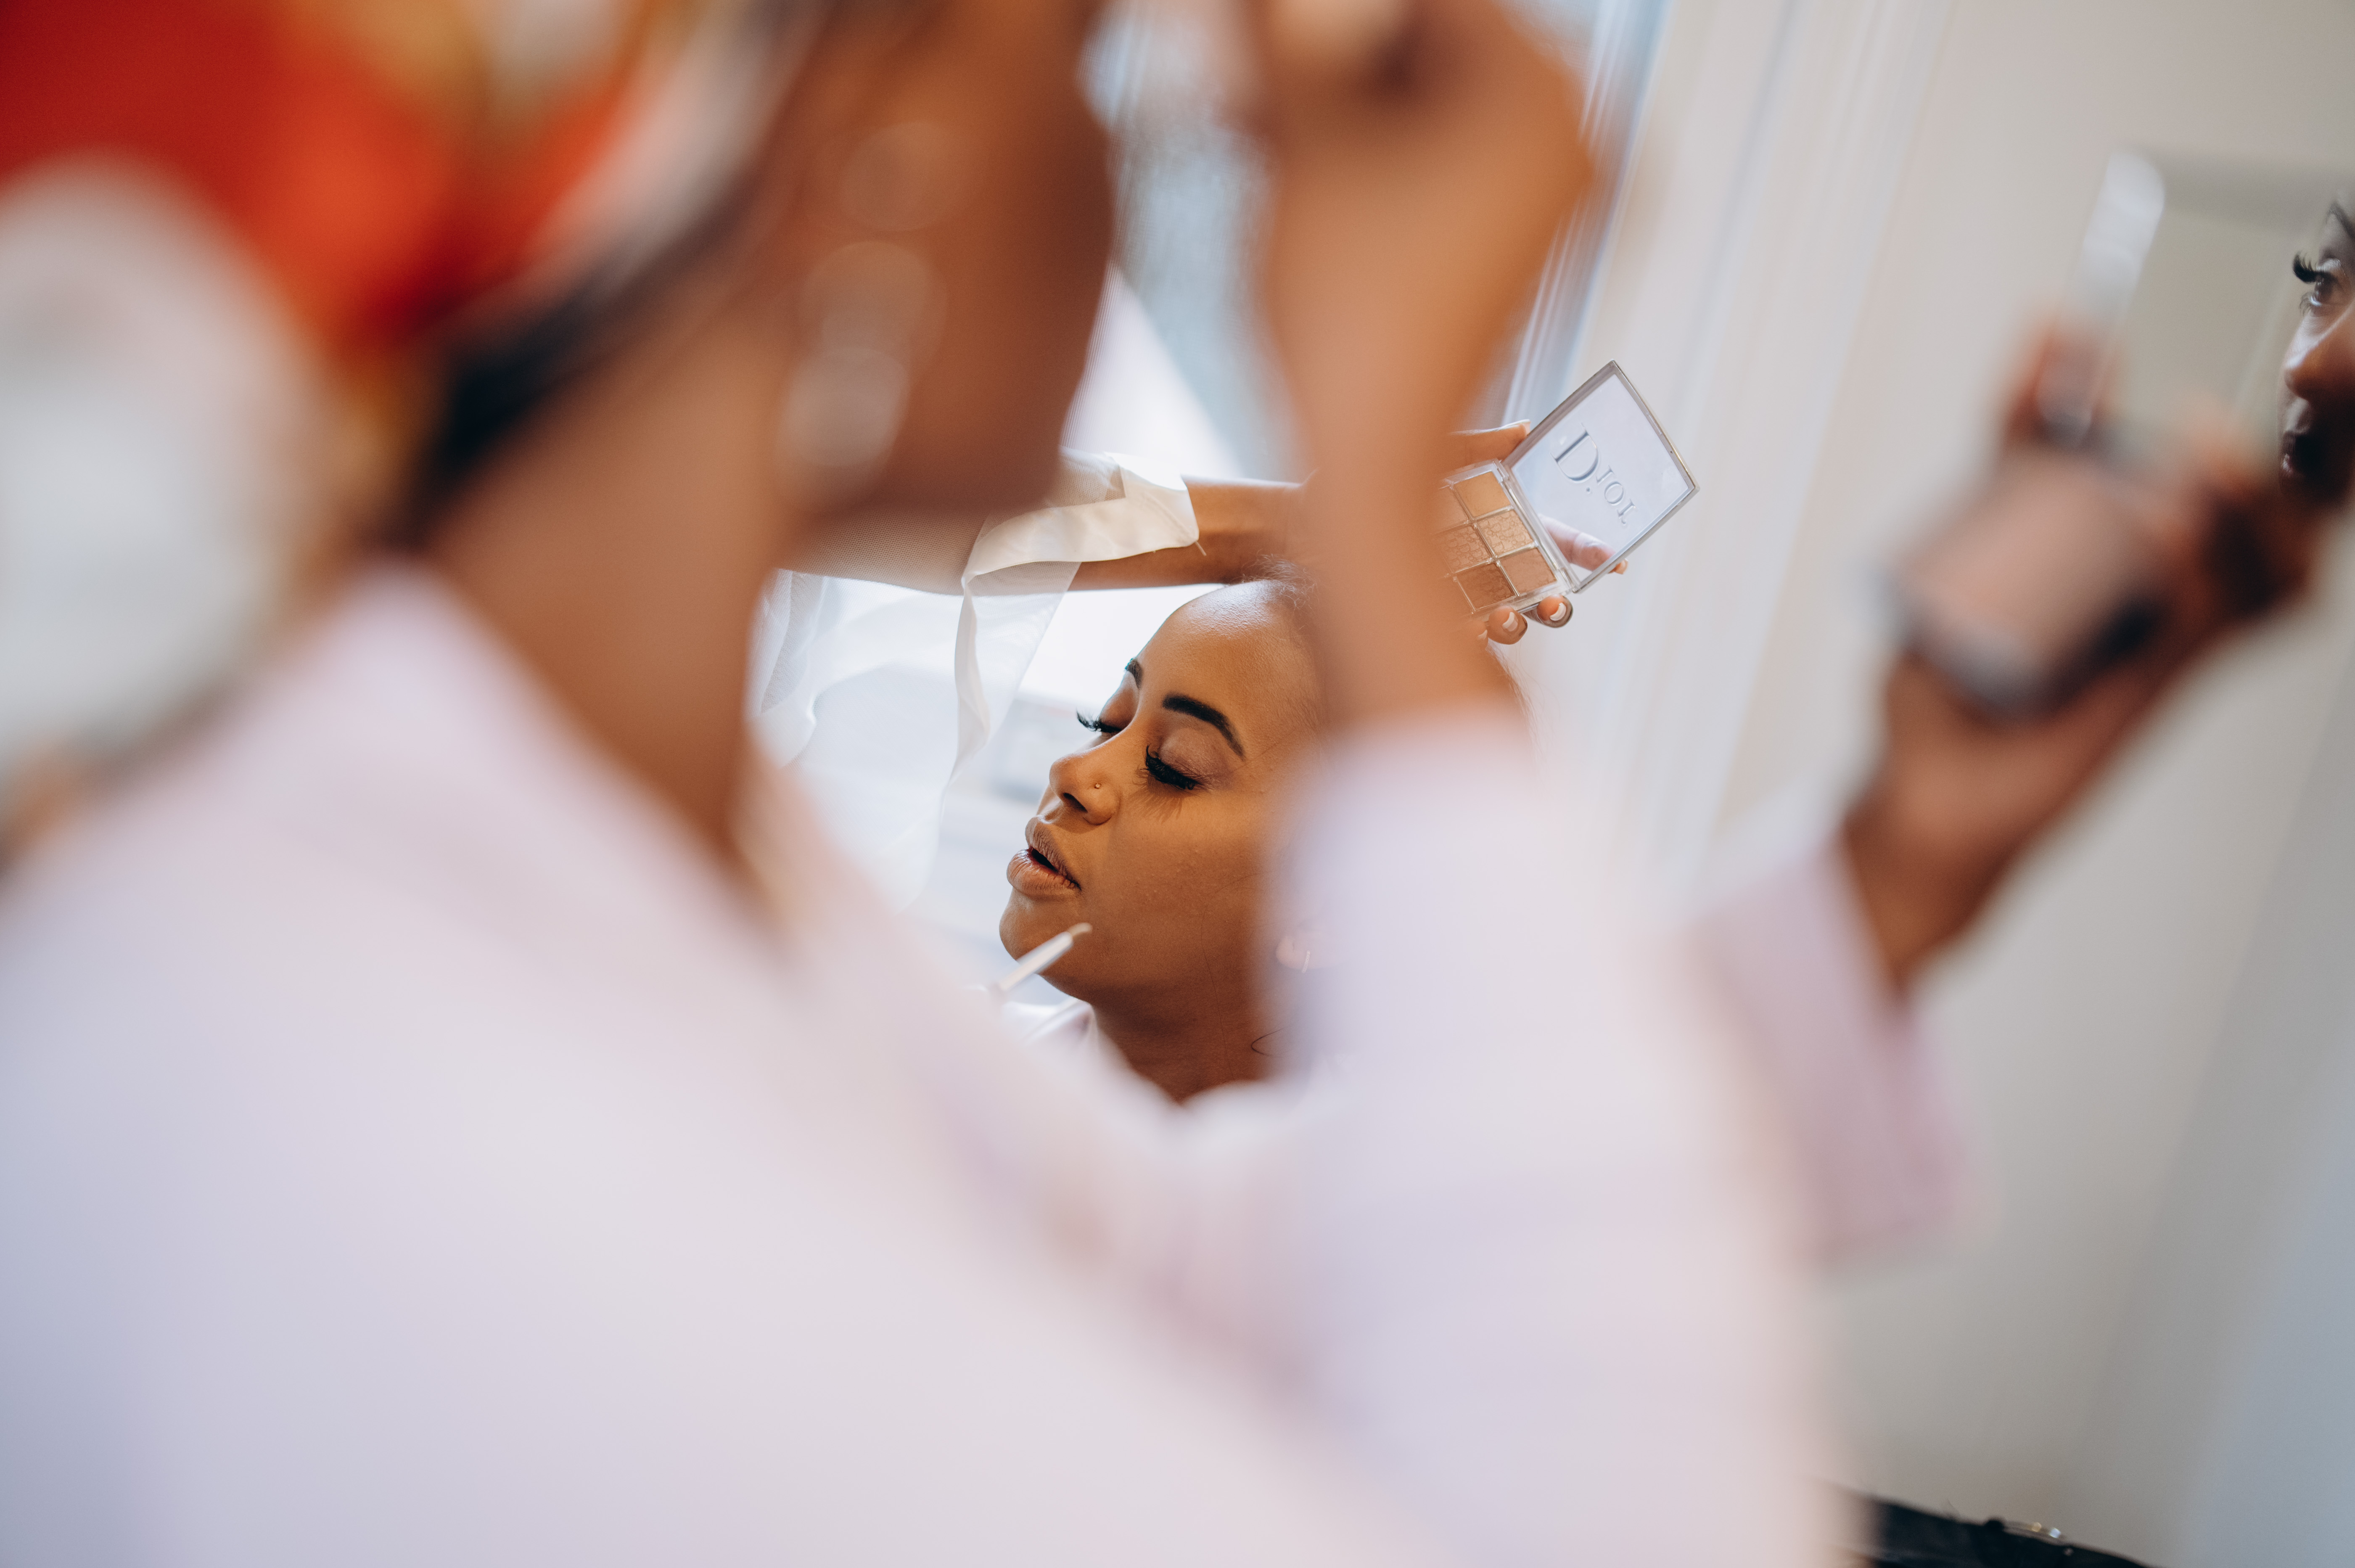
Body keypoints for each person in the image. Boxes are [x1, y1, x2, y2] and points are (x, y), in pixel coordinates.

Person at [0, 1, 1846, 1565]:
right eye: (1075, 55)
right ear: (853, 147)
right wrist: (1367, 510)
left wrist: (1885, 873)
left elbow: (1163, 1254)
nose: (1120, 157)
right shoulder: (371, 1064)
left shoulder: (638, 848)